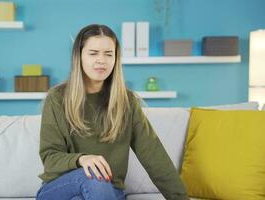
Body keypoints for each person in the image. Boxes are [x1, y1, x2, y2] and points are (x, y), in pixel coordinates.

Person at [36, 24, 189, 200]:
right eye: (93, 53)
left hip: (107, 191)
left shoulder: (127, 102)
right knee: (92, 174)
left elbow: (154, 157)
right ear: (79, 57)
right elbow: (50, 158)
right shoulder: (57, 98)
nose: (102, 60)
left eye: (109, 54)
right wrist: (82, 160)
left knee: (94, 186)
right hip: (60, 189)